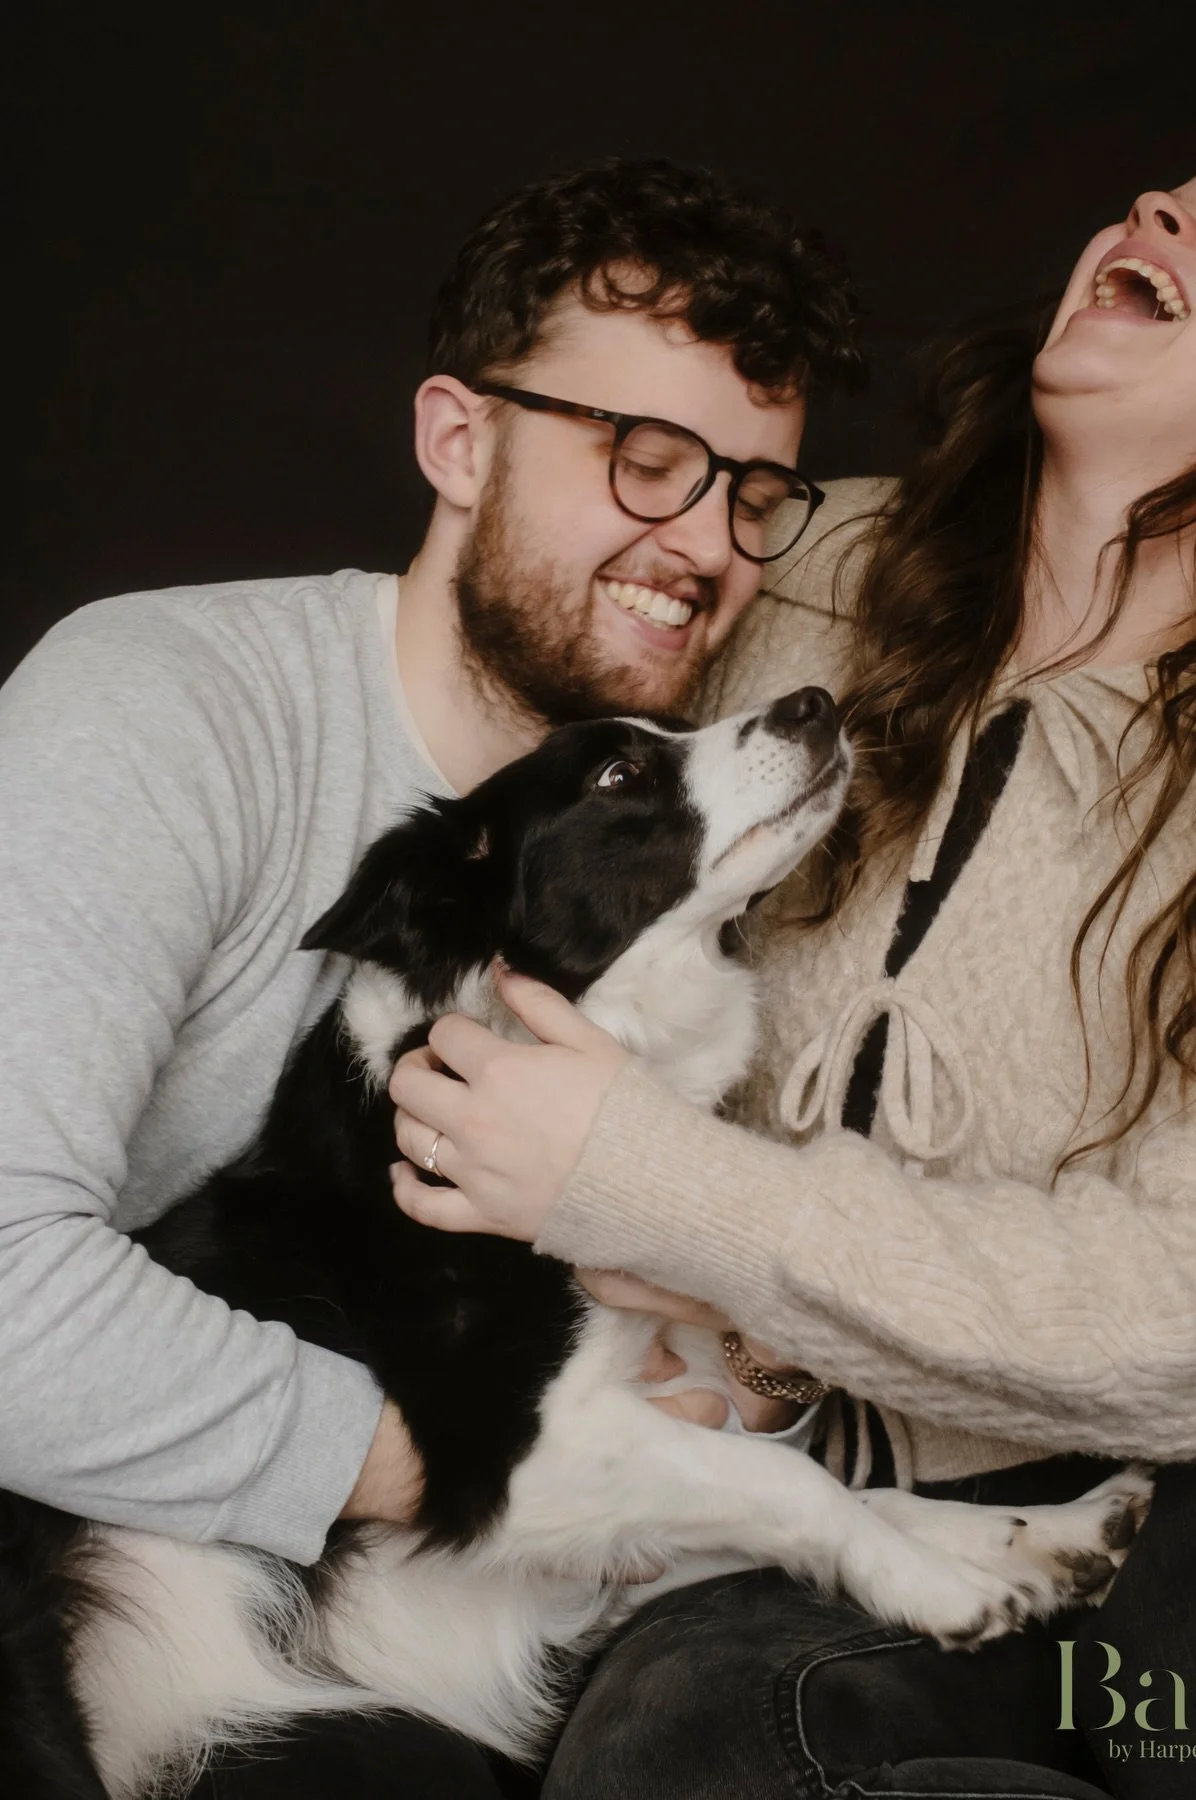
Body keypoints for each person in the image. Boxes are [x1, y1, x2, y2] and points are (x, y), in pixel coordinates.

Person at [385, 158, 1196, 1797]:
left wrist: (659, 1189)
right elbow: (531, 767)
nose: (1158, 211)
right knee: (679, 1751)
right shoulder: (798, 563)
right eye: (1164, 194)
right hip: (798, 1464)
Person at [0, 158, 864, 1798]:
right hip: (92, 1593)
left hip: (410, 1646)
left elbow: (695, 1360)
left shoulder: (693, 858)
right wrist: (484, 1470)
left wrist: (747, 1368)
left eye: (755, 495)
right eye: (646, 459)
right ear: (460, 442)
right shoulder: (158, 710)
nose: (705, 546)